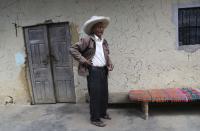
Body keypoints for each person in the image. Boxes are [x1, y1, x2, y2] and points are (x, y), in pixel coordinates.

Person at [70, 16, 114, 127]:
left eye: (102, 27)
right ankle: (95, 118)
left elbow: (106, 55)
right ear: (93, 29)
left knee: (104, 94)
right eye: (98, 27)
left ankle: (103, 113)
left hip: (103, 70)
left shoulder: (104, 42)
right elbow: (72, 49)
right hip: (93, 71)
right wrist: (84, 60)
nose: (101, 29)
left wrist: (109, 63)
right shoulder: (87, 40)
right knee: (95, 95)